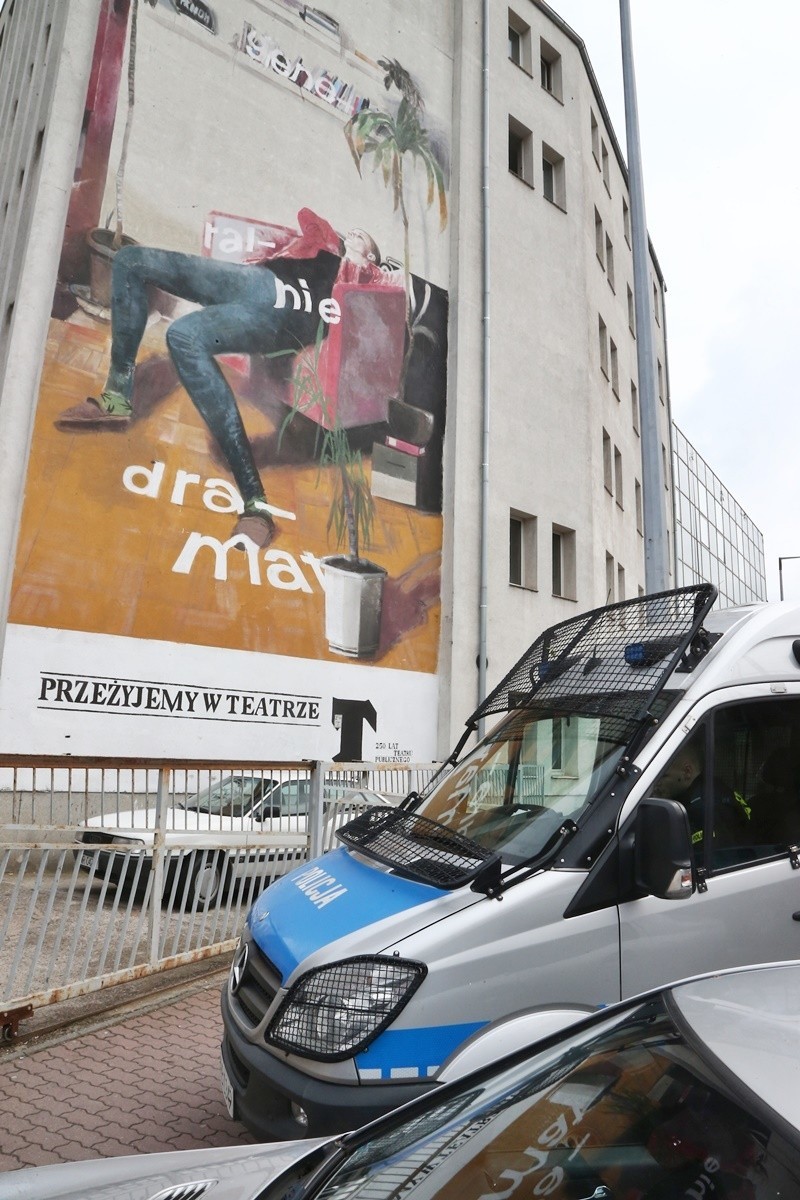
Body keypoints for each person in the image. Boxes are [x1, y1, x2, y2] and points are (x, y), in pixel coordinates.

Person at [57, 210, 396, 548]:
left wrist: (366, 264)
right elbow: (307, 217)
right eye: (353, 231)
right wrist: (331, 242)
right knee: (131, 260)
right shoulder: (322, 246)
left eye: (362, 237)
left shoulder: (367, 278)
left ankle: (255, 504)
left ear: (371, 255)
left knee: (182, 337)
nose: (354, 233)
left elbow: (382, 301)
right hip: (254, 282)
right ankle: (117, 397)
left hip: (286, 317)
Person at [653, 734, 749, 848]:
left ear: (687, 772)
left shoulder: (703, 806)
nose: (656, 783)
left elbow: (715, 859)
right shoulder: (713, 786)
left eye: (663, 776)